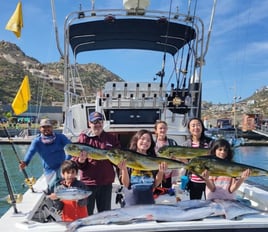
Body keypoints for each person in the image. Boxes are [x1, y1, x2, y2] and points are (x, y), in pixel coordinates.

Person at [72, 111, 120, 215]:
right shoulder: (83, 137)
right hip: (88, 183)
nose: (97, 124)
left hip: (106, 183)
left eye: (100, 121)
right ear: (89, 124)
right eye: (94, 122)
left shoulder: (111, 138)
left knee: (105, 215)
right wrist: (81, 160)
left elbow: (118, 160)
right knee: (86, 214)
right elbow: (77, 163)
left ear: (103, 123)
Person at [117, 129, 167, 206]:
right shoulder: (127, 158)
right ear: (136, 140)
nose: (145, 142)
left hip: (148, 201)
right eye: (142, 139)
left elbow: (156, 184)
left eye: (148, 140)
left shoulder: (154, 159)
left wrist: (161, 171)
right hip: (131, 202)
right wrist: (124, 169)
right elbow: (126, 184)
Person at [19, 118, 71, 185]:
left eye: (48, 126)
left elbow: (71, 148)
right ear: (40, 129)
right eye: (43, 127)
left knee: (65, 188)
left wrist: (66, 161)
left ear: (52, 128)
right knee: (52, 189)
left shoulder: (61, 137)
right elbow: (30, 152)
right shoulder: (37, 141)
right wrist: (25, 162)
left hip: (63, 168)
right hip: (49, 171)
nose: (46, 129)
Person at [183, 117, 212, 200]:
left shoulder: (210, 142)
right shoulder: (186, 145)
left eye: (198, 125)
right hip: (194, 182)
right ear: (189, 129)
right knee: (195, 207)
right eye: (193, 125)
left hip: (210, 181)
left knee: (211, 207)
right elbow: (186, 163)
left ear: (202, 127)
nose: (196, 127)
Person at [154, 120, 179, 188]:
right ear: (156, 130)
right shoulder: (152, 143)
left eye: (165, 128)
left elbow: (177, 159)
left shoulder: (172, 143)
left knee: (168, 195)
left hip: (169, 175)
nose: (163, 130)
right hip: (156, 174)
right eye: (160, 128)